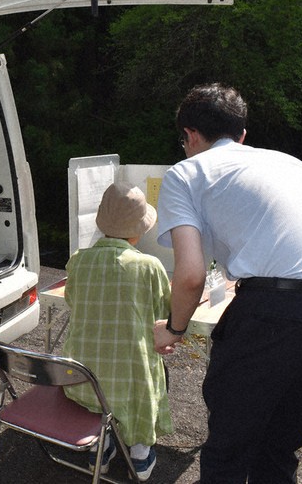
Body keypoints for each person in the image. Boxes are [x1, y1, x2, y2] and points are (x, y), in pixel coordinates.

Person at [154, 83, 302, 483]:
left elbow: (190, 275)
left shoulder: (186, 173)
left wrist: (173, 329)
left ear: (188, 136)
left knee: (229, 449)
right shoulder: (294, 165)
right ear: (241, 135)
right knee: (277, 445)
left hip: (278, 313)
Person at [63, 181, 172, 481]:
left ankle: (103, 444)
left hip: (82, 380)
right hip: (131, 381)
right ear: (139, 230)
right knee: (142, 366)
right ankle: (138, 454)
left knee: (105, 382)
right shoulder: (150, 267)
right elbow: (165, 314)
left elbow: (72, 300)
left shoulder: (78, 261)